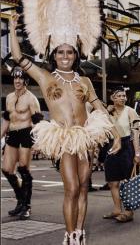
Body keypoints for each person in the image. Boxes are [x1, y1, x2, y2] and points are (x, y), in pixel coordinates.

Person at [10, 21, 120, 245]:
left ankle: (79, 233)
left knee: (82, 187)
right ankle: (69, 235)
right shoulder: (45, 77)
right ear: (54, 55)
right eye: (61, 52)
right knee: (71, 188)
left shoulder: (85, 81)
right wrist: (12, 28)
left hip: (84, 137)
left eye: (70, 52)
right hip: (63, 137)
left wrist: (116, 133)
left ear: (76, 55)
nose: (65, 55)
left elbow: (98, 107)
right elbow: (18, 56)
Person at [1, 66, 43, 220]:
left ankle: (27, 206)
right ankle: (20, 200)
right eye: (15, 78)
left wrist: (38, 142)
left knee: (24, 169)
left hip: (26, 134)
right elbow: (7, 119)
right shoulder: (9, 97)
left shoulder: (31, 99)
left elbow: (38, 122)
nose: (17, 81)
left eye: (20, 78)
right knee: (6, 170)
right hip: (12, 134)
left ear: (25, 80)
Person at [103, 86, 140, 223]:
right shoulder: (107, 113)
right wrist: (107, 112)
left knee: (128, 181)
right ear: (112, 98)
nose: (122, 98)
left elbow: (135, 133)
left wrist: (137, 153)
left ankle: (129, 212)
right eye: (118, 95)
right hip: (111, 146)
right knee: (113, 181)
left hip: (126, 146)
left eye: (124, 96)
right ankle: (117, 209)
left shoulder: (130, 111)